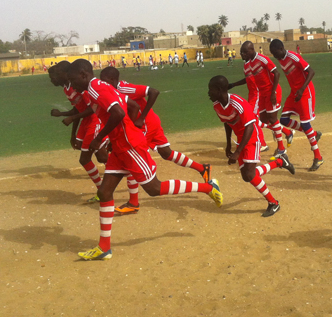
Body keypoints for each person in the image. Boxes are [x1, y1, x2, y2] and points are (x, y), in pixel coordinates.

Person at [67, 59, 223, 260]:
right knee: (104, 193)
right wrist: (124, 133)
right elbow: (130, 106)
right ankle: (104, 247)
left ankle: (209, 188)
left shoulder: (96, 89)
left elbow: (119, 112)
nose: (71, 85)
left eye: (72, 80)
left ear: (82, 75)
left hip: (130, 147)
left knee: (154, 189)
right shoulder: (97, 88)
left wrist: (102, 138)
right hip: (120, 147)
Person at [99, 66, 212, 214]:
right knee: (165, 153)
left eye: (105, 81)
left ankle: (133, 203)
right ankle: (202, 168)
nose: (102, 84)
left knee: (131, 158)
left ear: (113, 80)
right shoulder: (110, 91)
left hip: (145, 124)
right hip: (151, 121)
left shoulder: (124, 88)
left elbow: (153, 92)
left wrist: (141, 118)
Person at [209, 75, 295, 217]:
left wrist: (237, 152)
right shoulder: (216, 105)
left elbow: (249, 127)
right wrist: (228, 144)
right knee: (247, 176)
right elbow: (227, 122)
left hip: (251, 136)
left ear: (218, 90)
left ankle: (273, 203)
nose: (208, 93)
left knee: (249, 174)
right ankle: (280, 162)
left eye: (210, 90)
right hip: (240, 138)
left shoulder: (237, 102)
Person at [48, 61, 110, 194]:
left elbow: (93, 108)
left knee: (86, 159)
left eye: (55, 75)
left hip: (95, 120)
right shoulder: (67, 88)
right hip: (87, 122)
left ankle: (103, 190)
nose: (52, 79)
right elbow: (77, 109)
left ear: (65, 74)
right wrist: (73, 134)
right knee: (101, 157)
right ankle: (120, 171)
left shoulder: (78, 86)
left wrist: (71, 118)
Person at [229, 41, 293, 155]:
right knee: (263, 120)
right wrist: (233, 84)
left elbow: (277, 73)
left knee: (270, 119)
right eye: (241, 52)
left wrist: (273, 93)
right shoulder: (248, 64)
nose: (242, 55)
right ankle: (286, 132)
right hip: (263, 94)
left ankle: (281, 148)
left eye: (244, 52)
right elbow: (248, 79)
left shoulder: (262, 59)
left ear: (251, 50)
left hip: (271, 92)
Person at [269, 39, 324, 171]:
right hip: (295, 93)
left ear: (282, 48)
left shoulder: (293, 57)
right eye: (273, 55)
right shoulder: (281, 60)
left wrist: (301, 89)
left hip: (305, 92)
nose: (275, 57)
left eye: (276, 53)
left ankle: (318, 157)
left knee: (305, 124)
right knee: (284, 120)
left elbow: (311, 71)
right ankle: (313, 133)